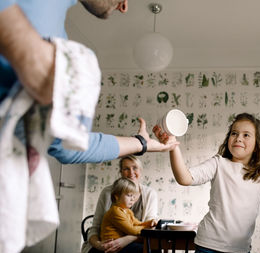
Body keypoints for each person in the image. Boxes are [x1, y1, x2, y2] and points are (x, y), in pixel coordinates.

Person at [0, 1, 178, 163]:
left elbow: (65, 146)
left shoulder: (60, 42)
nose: (125, 6)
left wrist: (141, 144)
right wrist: (28, 54)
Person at [153, 113, 260, 253]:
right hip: (209, 250)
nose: (238, 138)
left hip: (242, 252)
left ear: (257, 143)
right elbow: (185, 178)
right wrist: (173, 147)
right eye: (234, 133)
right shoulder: (218, 163)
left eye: (246, 135)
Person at [80, 156, 159, 253]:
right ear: (121, 172)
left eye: (135, 168)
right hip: (107, 244)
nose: (131, 172)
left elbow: (150, 230)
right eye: (126, 169)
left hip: (137, 244)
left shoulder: (150, 194)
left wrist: (124, 241)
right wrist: (99, 245)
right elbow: (95, 229)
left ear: (140, 171)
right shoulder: (107, 192)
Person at [99, 178, 157, 253]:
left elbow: (138, 223)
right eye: (129, 195)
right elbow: (131, 230)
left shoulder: (127, 211)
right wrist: (147, 228)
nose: (132, 199)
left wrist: (150, 223)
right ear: (117, 196)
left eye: (134, 196)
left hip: (123, 243)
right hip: (113, 247)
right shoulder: (115, 211)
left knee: (153, 249)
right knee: (146, 251)